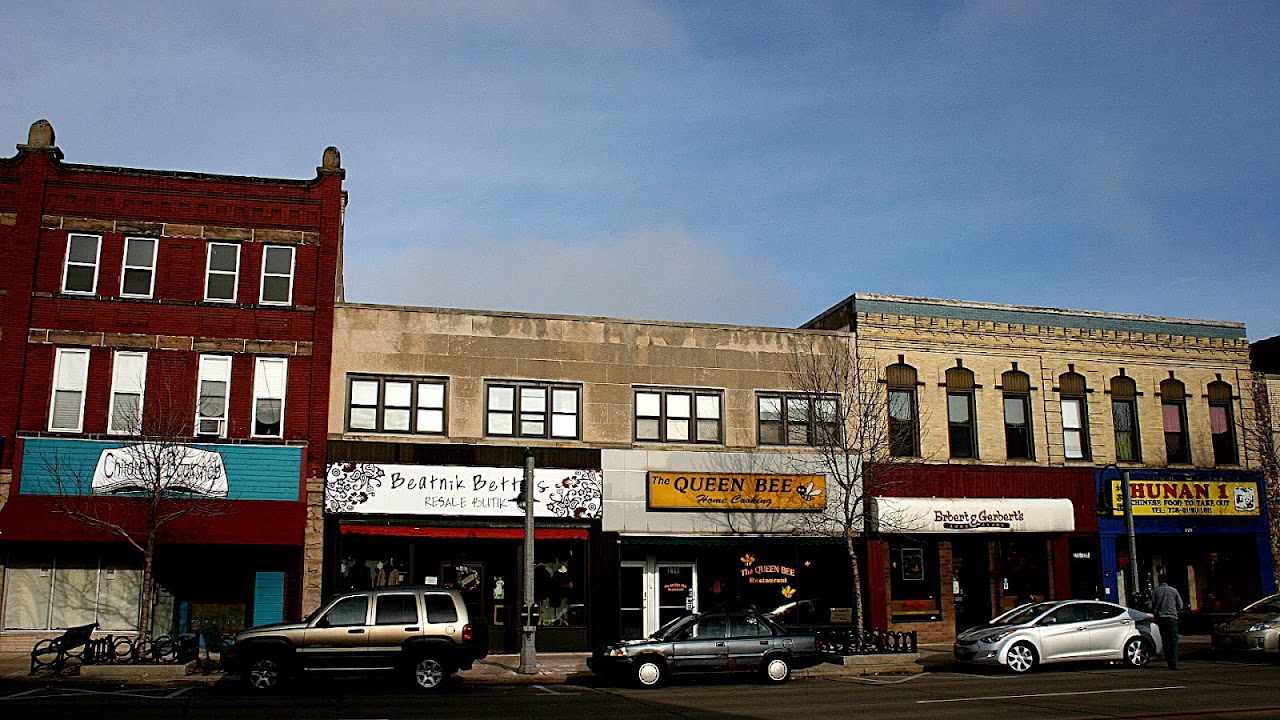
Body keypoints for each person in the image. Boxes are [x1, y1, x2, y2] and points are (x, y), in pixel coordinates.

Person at [1149, 574, 1185, 669]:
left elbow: (1150, 605)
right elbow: (1180, 605)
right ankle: (1173, 662)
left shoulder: (1154, 591)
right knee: (1173, 640)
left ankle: (1169, 660)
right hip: (1172, 617)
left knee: (1165, 640)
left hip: (1160, 618)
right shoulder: (1173, 590)